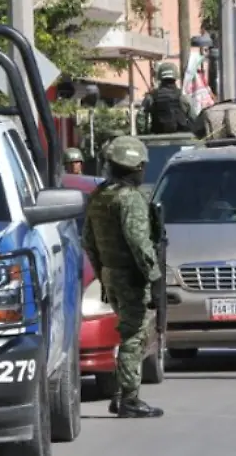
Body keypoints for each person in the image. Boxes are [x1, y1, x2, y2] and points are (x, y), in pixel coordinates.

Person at [81, 136, 164, 418]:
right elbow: (140, 243)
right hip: (130, 277)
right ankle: (129, 399)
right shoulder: (130, 199)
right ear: (135, 167)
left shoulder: (99, 195)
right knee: (134, 334)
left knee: (127, 331)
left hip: (111, 274)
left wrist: (103, 273)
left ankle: (120, 395)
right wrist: (154, 278)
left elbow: (88, 241)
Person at [139, 62, 197, 135]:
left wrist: (144, 134)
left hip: (157, 140)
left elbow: (140, 116)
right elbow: (194, 119)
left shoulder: (151, 97)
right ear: (176, 76)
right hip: (181, 139)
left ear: (159, 76)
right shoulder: (183, 96)